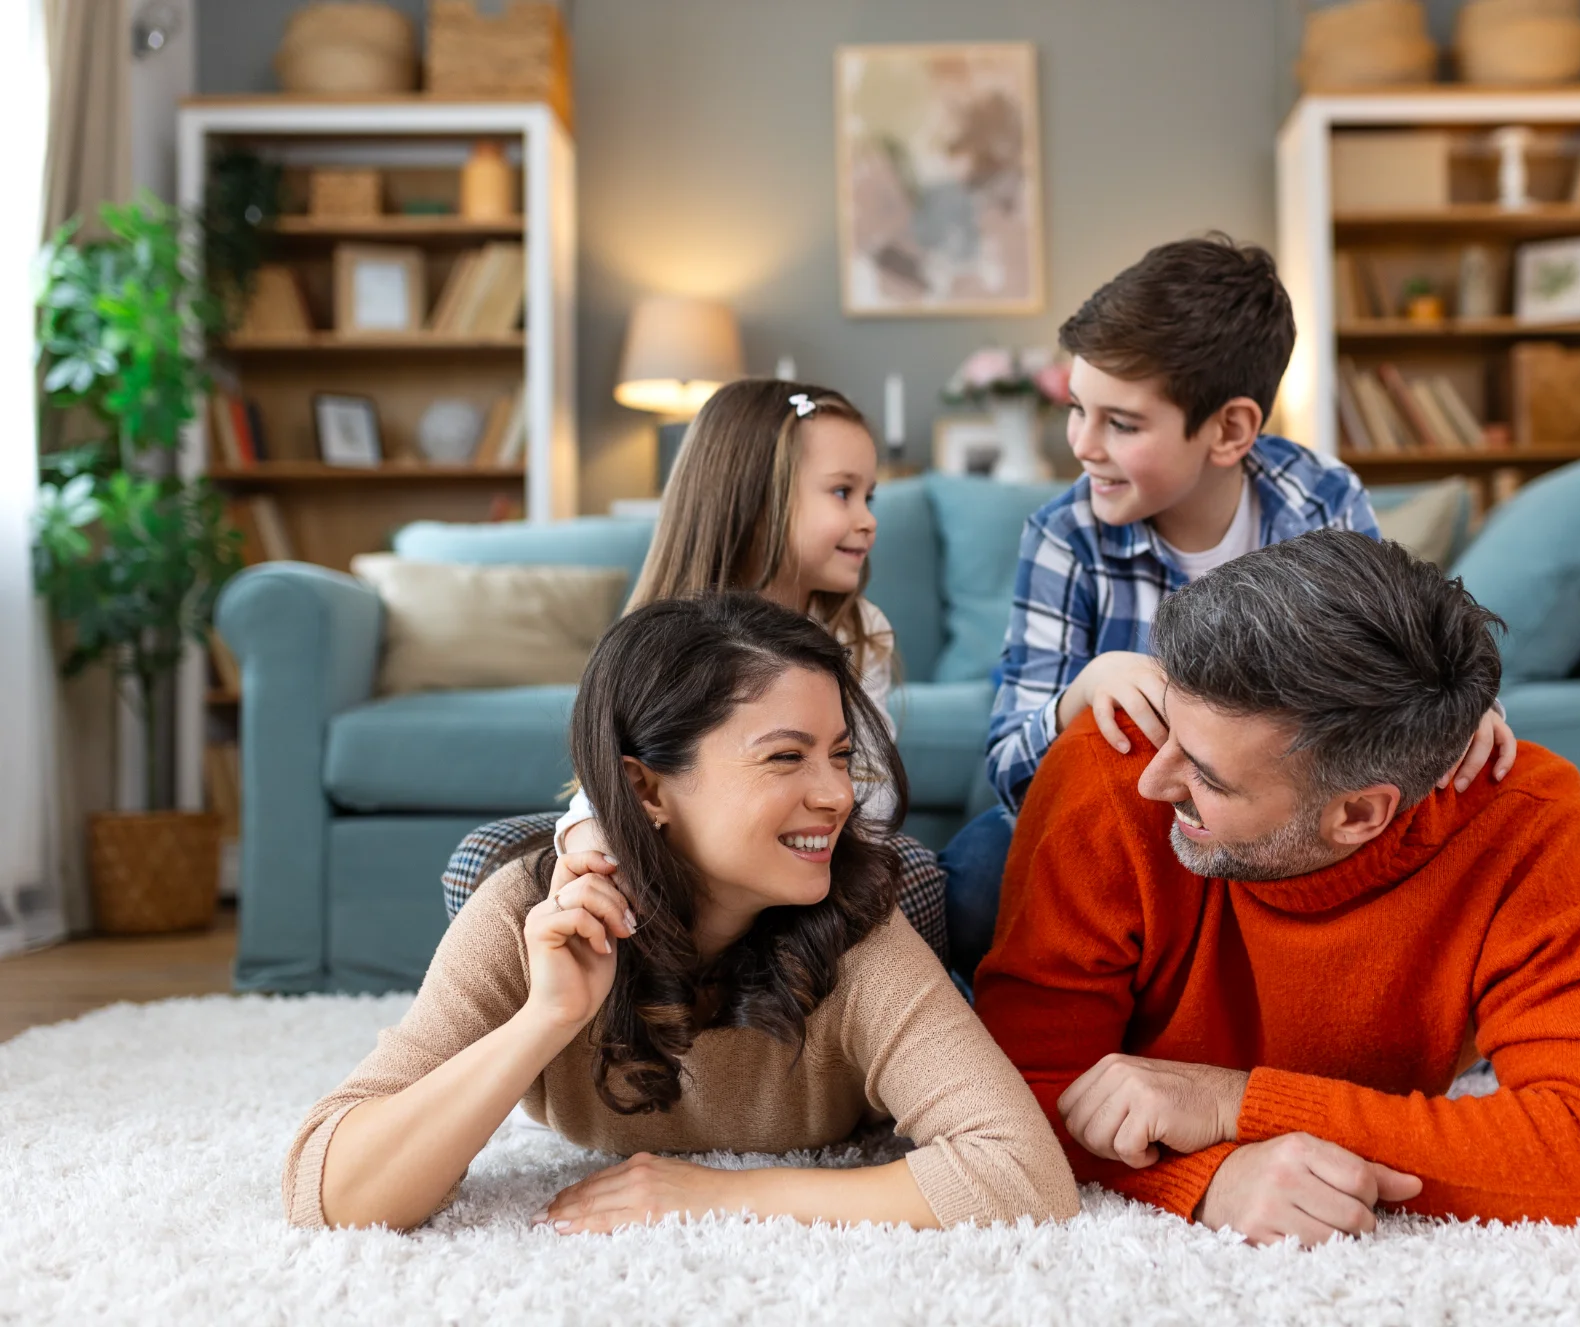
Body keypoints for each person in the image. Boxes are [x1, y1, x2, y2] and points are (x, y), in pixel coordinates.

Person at [974, 530, 1580, 1245]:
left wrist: (1234, 1102)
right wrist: (1209, 1177)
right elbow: (1006, 1102)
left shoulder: (1524, 816)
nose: (1154, 777)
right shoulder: (1110, 765)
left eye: (1206, 774)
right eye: (1172, 713)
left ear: (1359, 813)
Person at [287, 594, 1079, 1233]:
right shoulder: (525, 916)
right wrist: (543, 1018)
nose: (839, 792)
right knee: (483, 862)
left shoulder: (863, 924)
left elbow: (1024, 1171)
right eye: (784, 755)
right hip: (584, 884)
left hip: (885, 898)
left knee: (908, 868)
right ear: (645, 788)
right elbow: (327, 1189)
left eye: (840, 754)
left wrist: (718, 1193)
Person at [941, 236, 1515, 980]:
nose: (1082, 444)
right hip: (1122, 827)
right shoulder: (1063, 534)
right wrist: (1078, 697)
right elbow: (1008, 770)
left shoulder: (1319, 498)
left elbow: (1392, 672)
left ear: (1231, 429)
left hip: (1273, 823)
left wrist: (1457, 713)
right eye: (1079, 409)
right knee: (978, 879)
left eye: (1122, 423)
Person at [440, 379, 947, 960]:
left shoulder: (860, 631)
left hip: (799, 850)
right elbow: (609, 781)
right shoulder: (660, 637)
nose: (868, 520)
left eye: (870, 497)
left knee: (909, 868)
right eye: (842, 493)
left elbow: (868, 798)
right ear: (756, 499)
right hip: (665, 852)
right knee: (489, 854)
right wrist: (594, 843)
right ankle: (541, 1026)